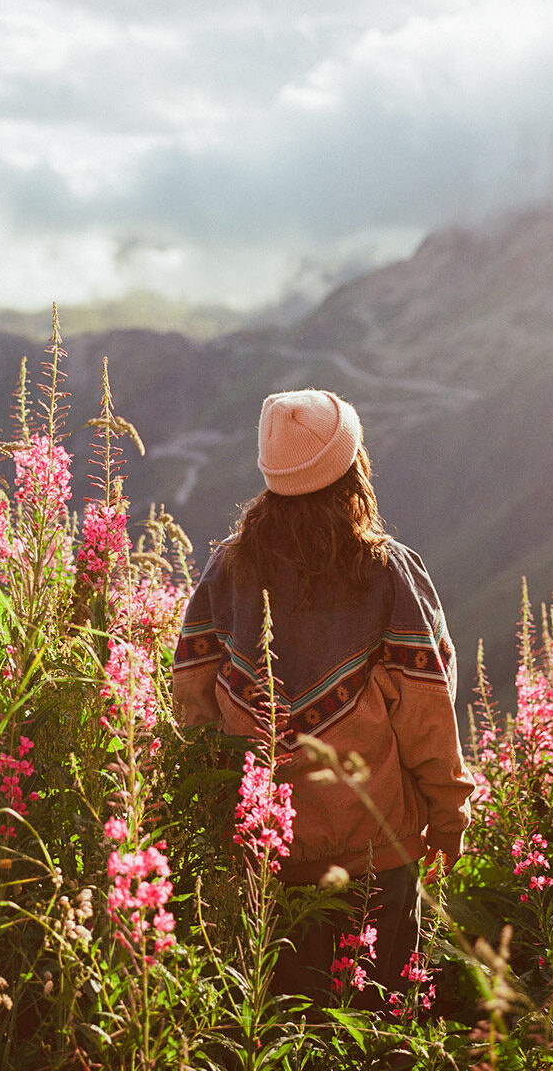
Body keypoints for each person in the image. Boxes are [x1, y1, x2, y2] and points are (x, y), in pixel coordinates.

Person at [172, 388, 473, 1001]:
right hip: (379, 866)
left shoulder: (227, 574)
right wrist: (449, 815)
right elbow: (429, 712)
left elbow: (193, 710)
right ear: (352, 470)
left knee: (286, 1042)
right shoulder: (389, 575)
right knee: (380, 1034)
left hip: (266, 869)